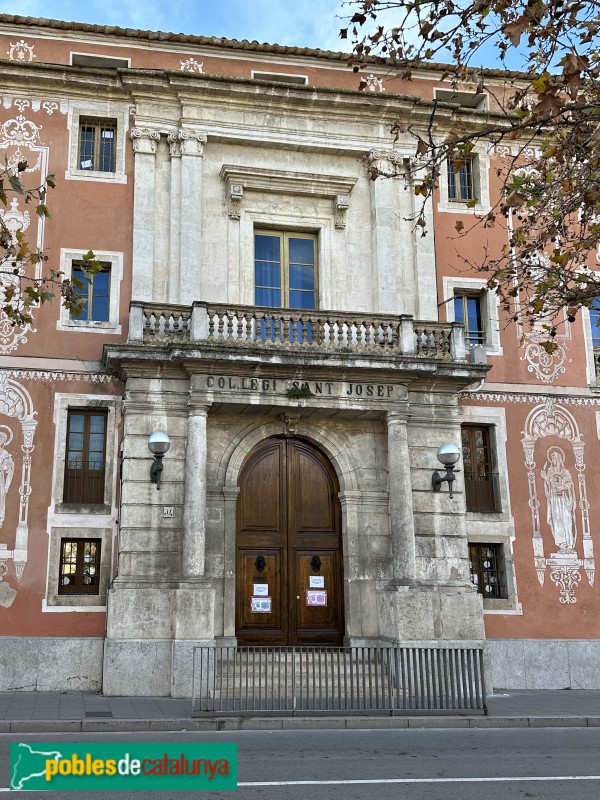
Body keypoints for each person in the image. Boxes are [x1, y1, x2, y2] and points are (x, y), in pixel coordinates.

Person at [541, 446, 577, 552]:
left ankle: (569, 544)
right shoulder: (550, 471)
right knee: (557, 521)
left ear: (559, 459)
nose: (553, 460)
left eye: (555, 458)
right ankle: (562, 544)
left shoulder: (565, 471)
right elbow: (547, 484)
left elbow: (570, 484)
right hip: (554, 500)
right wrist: (545, 478)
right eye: (552, 458)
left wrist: (563, 487)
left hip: (564, 500)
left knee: (567, 520)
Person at [0, 427, 14, 528]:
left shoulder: (4, 453)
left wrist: (5, 466)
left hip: (0, 477)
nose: (0, 440)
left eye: (2, 439)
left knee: (1, 495)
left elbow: (9, 467)